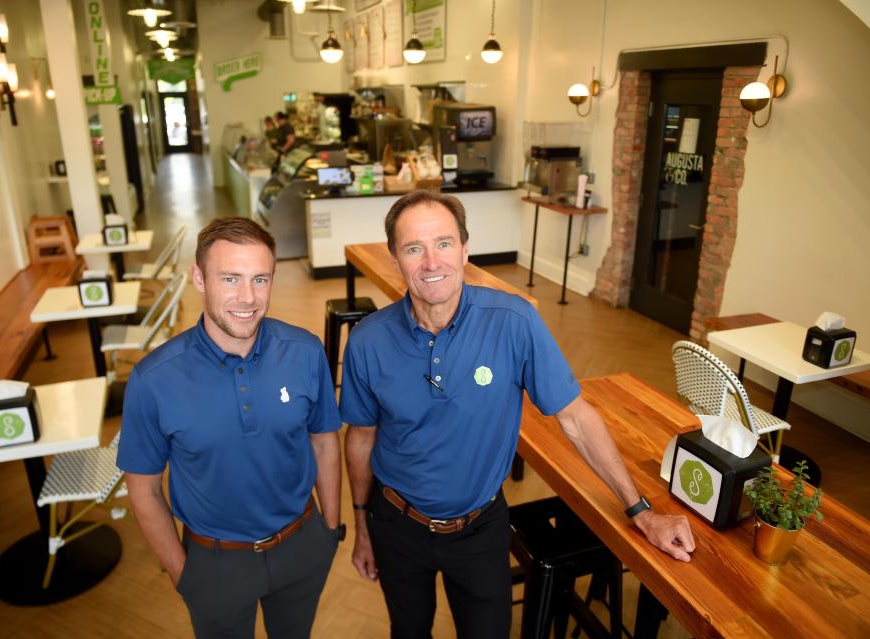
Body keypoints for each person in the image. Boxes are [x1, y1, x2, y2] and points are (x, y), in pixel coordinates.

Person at [340, 190, 695, 638]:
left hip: (480, 526)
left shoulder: (513, 321)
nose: (432, 262)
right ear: (395, 259)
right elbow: (361, 435)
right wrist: (362, 524)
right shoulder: (368, 340)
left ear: (466, 249)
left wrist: (640, 510)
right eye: (414, 248)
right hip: (396, 524)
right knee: (407, 632)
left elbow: (577, 419)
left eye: (444, 243)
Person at [118, 218, 343, 639]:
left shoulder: (306, 351)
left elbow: (324, 441)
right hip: (214, 563)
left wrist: (330, 529)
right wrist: (182, 573)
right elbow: (143, 488)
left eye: (260, 279)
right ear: (199, 278)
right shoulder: (153, 380)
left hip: (302, 545)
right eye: (230, 278)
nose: (248, 297)